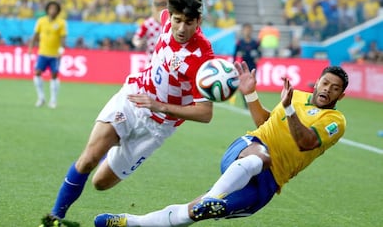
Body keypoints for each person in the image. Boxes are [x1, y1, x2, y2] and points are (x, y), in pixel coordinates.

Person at [39, 0, 214, 227]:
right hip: (134, 98)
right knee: (87, 160)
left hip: (158, 126)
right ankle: (54, 217)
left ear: (199, 22)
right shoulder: (167, 23)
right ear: (171, 18)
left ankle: (116, 140)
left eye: (189, 23)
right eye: (177, 20)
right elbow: (159, 3)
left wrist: (161, 106)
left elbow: (205, 113)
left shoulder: (203, 59)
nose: (181, 28)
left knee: (100, 183)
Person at [94, 62, 349, 227]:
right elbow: (264, 122)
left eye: (335, 88)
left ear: (341, 95)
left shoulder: (336, 121)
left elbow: (305, 142)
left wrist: (289, 107)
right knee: (260, 157)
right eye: (325, 83)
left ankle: (129, 222)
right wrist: (250, 92)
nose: (328, 89)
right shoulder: (297, 97)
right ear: (316, 83)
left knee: (193, 213)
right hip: (249, 147)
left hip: (270, 183)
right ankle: (213, 196)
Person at [28, 0, 67, 109]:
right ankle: (41, 98)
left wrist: (61, 50)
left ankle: (53, 100)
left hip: (54, 55)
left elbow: (63, 38)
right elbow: (35, 36)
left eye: (54, 9)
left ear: (58, 11)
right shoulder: (41, 21)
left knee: (54, 75)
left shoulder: (61, 23)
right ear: (47, 10)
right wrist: (31, 48)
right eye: (50, 8)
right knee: (37, 72)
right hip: (43, 53)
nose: (52, 11)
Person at [232, 23, 260, 108]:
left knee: (251, 85)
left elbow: (259, 52)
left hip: (253, 66)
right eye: (246, 30)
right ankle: (245, 102)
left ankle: (251, 101)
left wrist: (258, 57)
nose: (247, 32)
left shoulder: (255, 43)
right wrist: (234, 64)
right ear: (243, 31)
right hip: (243, 66)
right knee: (243, 84)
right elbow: (234, 54)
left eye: (249, 30)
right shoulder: (240, 43)